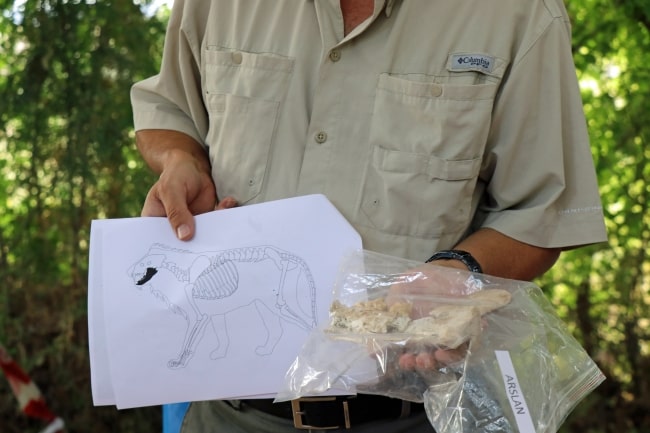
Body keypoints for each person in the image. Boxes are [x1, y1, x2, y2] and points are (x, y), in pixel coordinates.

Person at [131, 0, 608, 431]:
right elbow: (169, 110)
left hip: (412, 416)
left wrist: (457, 273)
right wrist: (180, 159)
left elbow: (544, 214)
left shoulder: (517, 13)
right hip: (224, 414)